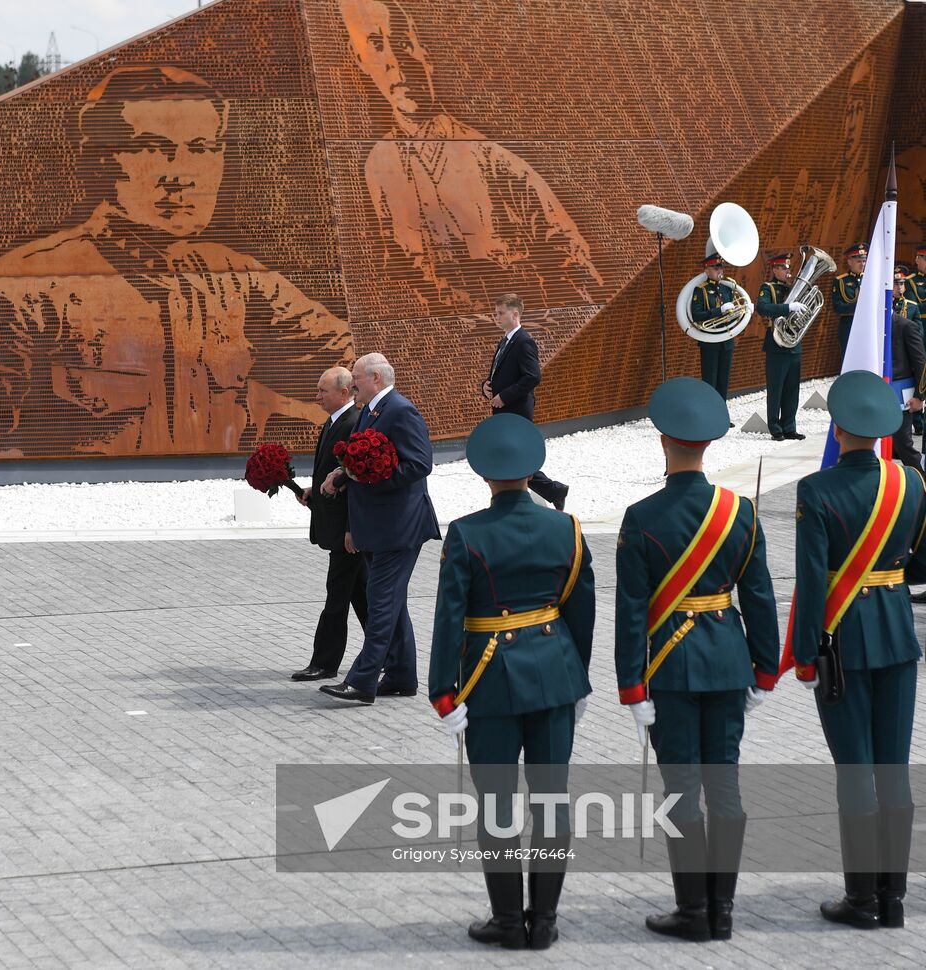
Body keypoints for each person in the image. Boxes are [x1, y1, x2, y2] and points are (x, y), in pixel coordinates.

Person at [0, 65, 353, 459]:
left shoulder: (244, 281)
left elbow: (356, 365)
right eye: (154, 148)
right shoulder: (10, 292)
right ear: (101, 157)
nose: (182, 173)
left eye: (203, 148)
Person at [614, 378, 779, 942]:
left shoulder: (640, 516)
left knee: (681, 789)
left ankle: (693, 911)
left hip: (671, 668)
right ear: (707, 445)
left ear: (663, 441)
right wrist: (764, 669)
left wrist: (631, 686)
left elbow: (632, 612)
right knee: (725, 787)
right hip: (729, 663)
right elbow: (758, 597)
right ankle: (723, 911)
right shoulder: (742, 512)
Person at [429, 413, 594, 950]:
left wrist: (442, 690)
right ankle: (543, 921)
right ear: (533, 471)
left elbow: (448, 618)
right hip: (554, 675)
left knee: (496, 805)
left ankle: (507, 921)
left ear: (484, 476)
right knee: (551, 800)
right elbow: (582, 613)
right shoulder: (565, 527)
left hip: (489, 681)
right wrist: (579, 678)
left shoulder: (466, 533)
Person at [337, 0, 602, 313]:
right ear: (360, 62)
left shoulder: (487, 155)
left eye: (405, 43)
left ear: (426, 55)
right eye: (377, 46)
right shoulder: (378, 164)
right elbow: (395, 265)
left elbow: (567, 245)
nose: (396, 61)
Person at [789, 370, 926, 931]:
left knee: (855, 771)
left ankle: (862, 899)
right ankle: (893, 897)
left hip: (842, 642)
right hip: (897, 631)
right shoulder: (912, 482)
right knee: (893, 769)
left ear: (839, 427)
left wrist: (803, 653)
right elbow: (916, 565)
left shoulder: (816, 490)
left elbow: (813, 582)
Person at [317, 353, 439, 704]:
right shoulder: (370, 412)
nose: (352, 382)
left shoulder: (401, 410)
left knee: (381, 602)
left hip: (400, 527)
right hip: (379, 525)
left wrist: (369, 478)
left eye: (355, 376)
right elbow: (356, 459)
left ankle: (362, 680)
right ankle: (401, 677)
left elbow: (419, 464)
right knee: (391, 602)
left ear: (375, 378)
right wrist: (341, 476)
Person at [292, 366, 367, 681]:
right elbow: (333, 472)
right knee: (361, 597)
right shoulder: (335, 421)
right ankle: (391, 653)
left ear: (344, 392)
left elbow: (357, 482)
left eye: (323, 390)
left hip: (345, 533)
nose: (317, 396)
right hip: (336, 525)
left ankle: (325, 662)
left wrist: (353, 527)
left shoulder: (353, 424)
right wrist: (315, 492)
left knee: (337, 595)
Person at [482, 292, 569, 509]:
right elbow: (500, 373)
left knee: (514, 455)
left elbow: (533, 376)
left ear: (515, 314)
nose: (496, 317)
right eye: (495, 313)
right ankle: (552, 490)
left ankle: (546, 491)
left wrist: (505, 396)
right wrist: (486, 386)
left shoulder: (524, 342)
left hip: (516, 410)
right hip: (505, 409)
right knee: (511, 455)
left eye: (500, 313)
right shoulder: (506, 341)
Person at [755, 251, 809, 440]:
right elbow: (762, 308)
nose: (788, 271)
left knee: (792, 388)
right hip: (776, 344)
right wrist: (787, 308)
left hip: (794, 343)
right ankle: (775, 428)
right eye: (784, 268)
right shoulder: (768, 288)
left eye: (788, 267)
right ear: (775, 269)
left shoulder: (794, 288)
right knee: (776, 387)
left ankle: (789, 426)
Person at [689, 254, 738, 404]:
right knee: (710, 381)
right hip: (710, 342)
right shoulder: (701, 290)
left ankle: (721, 414)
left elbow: (733, 313)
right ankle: (710, 415)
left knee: (723, 381)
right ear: (707, 270)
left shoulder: (726, 288)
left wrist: (743, 310)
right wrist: (719, 311)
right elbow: (697, 315)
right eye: (716, 268)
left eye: (721, 267)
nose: (719, 270)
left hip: (726, 340)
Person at [887, 305, 925, 473]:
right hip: (873, 394)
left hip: (900, 395)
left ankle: (922, 480)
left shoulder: (905, 326)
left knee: (903, 445)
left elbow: (921, 364)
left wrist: (919, 396)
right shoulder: (866, 326)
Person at [833, 242, 868, 357]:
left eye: (864, 261)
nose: (862, 264)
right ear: (849, 262)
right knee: (849, 357)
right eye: (859, 261)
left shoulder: (871, 279)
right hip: (849, 324)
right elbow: (837, 307)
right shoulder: (841, 281)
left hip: (868, 324)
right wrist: (858, 306)